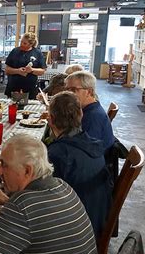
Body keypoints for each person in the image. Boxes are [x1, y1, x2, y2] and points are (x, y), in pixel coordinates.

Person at [47, 91, 112, 238]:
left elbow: (44, 201)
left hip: (74, 234)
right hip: (96, 220)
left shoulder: (58, 154)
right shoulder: (92, 144)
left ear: (50, 120)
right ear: (81, 115)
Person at [65, 71, 114, 150]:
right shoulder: (89, 108)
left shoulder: (93, 117)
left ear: (89, 92)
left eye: (74, 90)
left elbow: (87, 150)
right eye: (67, 89)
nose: (68, 94)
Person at [4, 32, 46, 99]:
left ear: (31, 44)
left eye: (24, 43)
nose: (21, 44)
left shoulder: (37, 53)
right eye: (21, 42)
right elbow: (7, 70)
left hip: (30, 88)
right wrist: (17, 71)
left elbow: (42, 71)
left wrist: (31, 70)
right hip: (14, 86)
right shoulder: (14, 51)